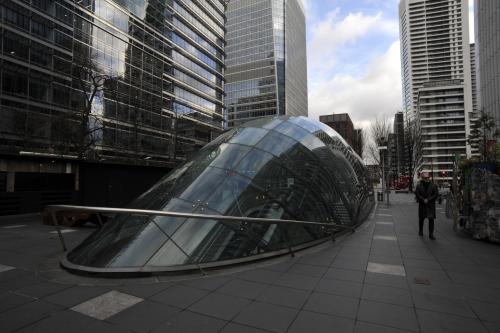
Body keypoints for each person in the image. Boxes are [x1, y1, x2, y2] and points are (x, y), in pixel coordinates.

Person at [415, 172, 438, 240]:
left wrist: (428, 199)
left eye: (428, 177)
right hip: (422, 204)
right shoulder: (419, 185)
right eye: (425, 178)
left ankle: (431, 234)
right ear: (422, 178)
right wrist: (422, 199)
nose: (427, 179)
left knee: (431, 220)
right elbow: (417, 194)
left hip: (430, 205)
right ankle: (420, 231)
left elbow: (435, 194)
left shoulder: (433, 185)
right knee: (421, 218)